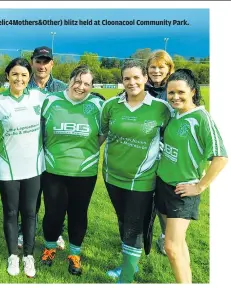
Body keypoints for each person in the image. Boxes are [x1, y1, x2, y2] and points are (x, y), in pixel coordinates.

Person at [100, 59, 172, 283]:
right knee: (123, 221)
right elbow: (100, 135)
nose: (132, 82)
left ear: (145, 79)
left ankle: (127, 277)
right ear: (121, 81)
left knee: (134, 224)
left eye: (136, 78)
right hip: (112, 176)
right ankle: (129, 265)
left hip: (141, 179)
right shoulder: (111, 106)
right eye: (126, 78)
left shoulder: (161, 108)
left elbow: (174, 138)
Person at [156, 69, 227, 283]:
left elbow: (221, 157)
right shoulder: (174, 114)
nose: (175, 97)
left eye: (180, 92)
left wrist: (199, 187)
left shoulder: (202, 118)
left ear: (193, 92)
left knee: (170, 246)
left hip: (183, 191)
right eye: (171, 93)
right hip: (163, 185)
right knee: (178, 244)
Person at [39, 65, 105, 276]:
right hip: (53, 169)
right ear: (69, 80)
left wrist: (88, 151)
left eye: (87, 83)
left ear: (92, 86)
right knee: (53, 212)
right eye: (78, 81)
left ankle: (74, 254)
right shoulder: (50, 101)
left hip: (84, 171)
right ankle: (49, 248)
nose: (81, 86)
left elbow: (103, 134)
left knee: (78, 213)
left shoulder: (98, 105)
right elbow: (41, 133)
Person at [0, 57, 47, 278]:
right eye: (15, 74)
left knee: (30, 213)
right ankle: (13, 255)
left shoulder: (39, 97)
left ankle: (28, 256)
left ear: (29, 77)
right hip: (7, 167)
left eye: (23, 74)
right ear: (7, 76)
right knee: (11, 212)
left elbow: (61, 109)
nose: (19, 78)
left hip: (34, 166)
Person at [17, 46, 68, 251]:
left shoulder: (62, 88)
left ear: (52, 64)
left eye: (46, 61)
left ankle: (56, 232)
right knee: (30, 197)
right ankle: (24, 230)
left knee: (56, 197)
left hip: (56, 151)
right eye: (38, 61)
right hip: (29, 151)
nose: (42, 65)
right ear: (32, 62)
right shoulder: (22, 85)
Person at [145, 50, 175, 255]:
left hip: (168, 154)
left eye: (161, 67)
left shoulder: (174, 89)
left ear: (169, 69)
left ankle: (166, 237)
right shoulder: (142, 88)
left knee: (164, 200)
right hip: (145, 152)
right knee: (145, 199)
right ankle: (141, 235)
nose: (156, 71)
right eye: (152, 67)